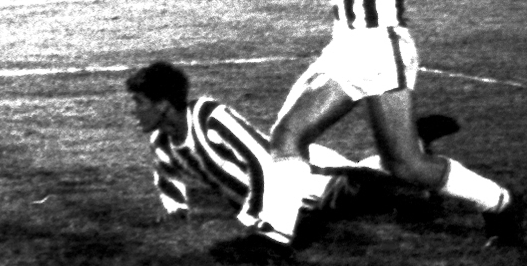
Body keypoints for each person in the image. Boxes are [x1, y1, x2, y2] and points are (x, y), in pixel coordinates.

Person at [219, 0, 523, 265]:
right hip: (353, 47)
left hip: (378, 49)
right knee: (329, 145)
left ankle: (501, 203)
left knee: (370, 156)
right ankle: (276, 239)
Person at [126, 61, 461, 239]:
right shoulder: (163, 139)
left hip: (314, 176)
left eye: (140, 102)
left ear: (165, 105)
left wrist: (255, 215)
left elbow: (261, 160)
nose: (134, 110)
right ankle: (412, 145)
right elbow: (167, 175)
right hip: (300, 203)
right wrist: (175, 212)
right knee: (374, 199)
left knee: (414, 201)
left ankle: (415, 141)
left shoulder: (209, 116)